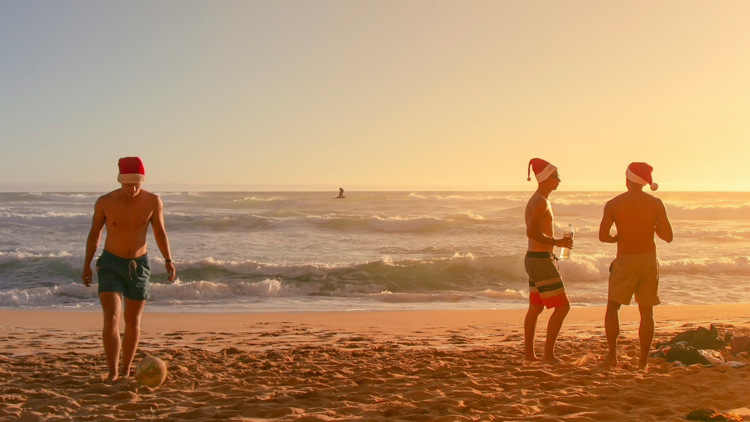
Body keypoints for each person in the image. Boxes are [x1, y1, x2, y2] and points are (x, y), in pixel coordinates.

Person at [81, 157, 176, 383]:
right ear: (119, 181)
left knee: (132, 320)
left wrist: (168, 259)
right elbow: (95, 234)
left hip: (139, 265)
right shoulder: (105, 202)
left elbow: (159, 232)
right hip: (110, 264)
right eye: (128, 184)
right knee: (112, 317)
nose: (133, 189)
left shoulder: (153, 201)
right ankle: (113, 372)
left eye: (137, 184)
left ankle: (125, 372)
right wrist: (87, 263)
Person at [599, 162, 673, 369]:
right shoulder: (656, 203)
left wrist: (617, 238)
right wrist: (654, 227)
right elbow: (668, 237)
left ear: (627, 180)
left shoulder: (614, 204)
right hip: (648, 260)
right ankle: (643, 361)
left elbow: (603, 236)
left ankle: (612, 356)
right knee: (646, 311)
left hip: (626, 260)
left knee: (613, 307)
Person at [523, 158, 573, 364]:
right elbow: (532, 231)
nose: (559, 180)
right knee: (563, 307)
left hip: (537, 258)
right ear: (545, 178)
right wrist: (556, 241)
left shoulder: (541, 200)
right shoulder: (540, 201)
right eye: (556, 176)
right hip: (540, 260)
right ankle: (548, 355)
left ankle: (529, 355)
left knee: (535, 308)